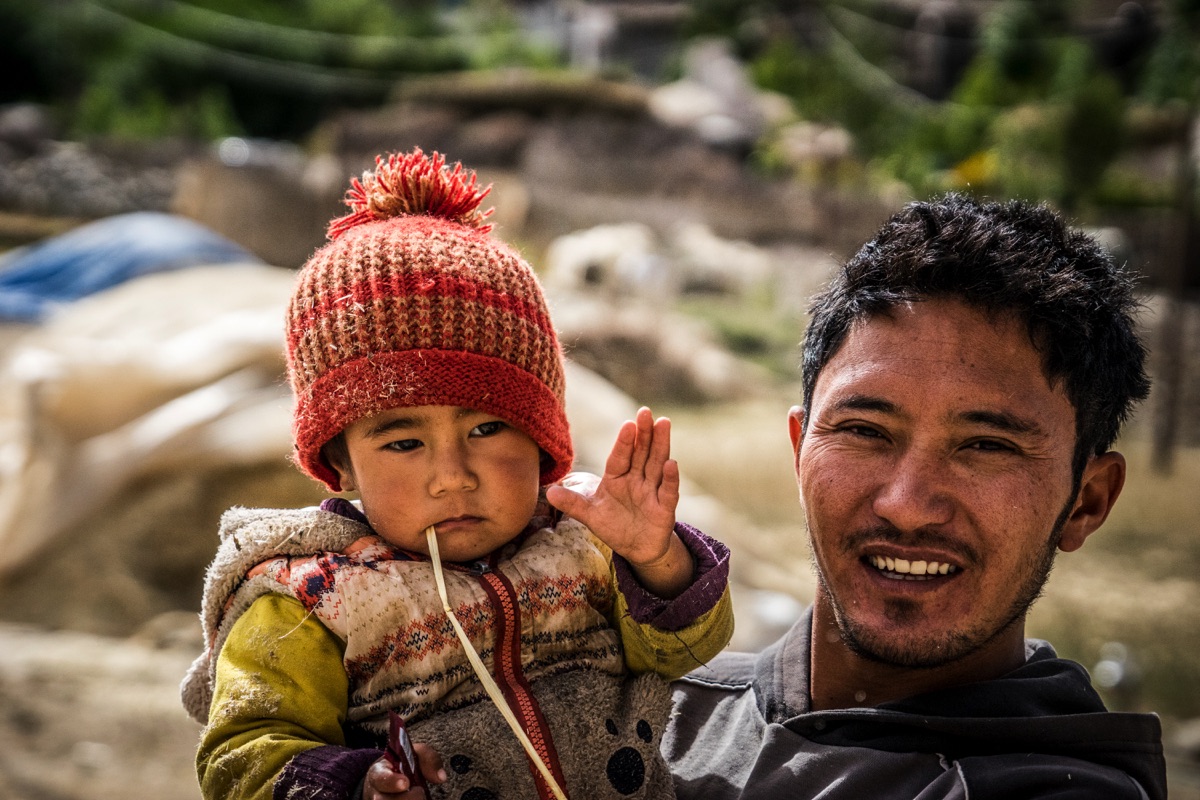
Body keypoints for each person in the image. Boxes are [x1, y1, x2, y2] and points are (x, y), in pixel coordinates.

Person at [180, 149, 733, 800]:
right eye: (404, 441)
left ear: (543, 435)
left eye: (487, 429)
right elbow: (244, 755)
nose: (452, 476)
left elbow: (683, 653)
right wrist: (358, 788)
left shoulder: (583, 551)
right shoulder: (309, 600)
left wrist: (653, 556)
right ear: (340, 464)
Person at [663, 193, 1167, 799]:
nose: (905, 503)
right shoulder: (659, 713)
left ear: (1086, 501)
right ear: (800, 451)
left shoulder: (1056, 788)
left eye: (986, 446)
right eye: (864, 432)